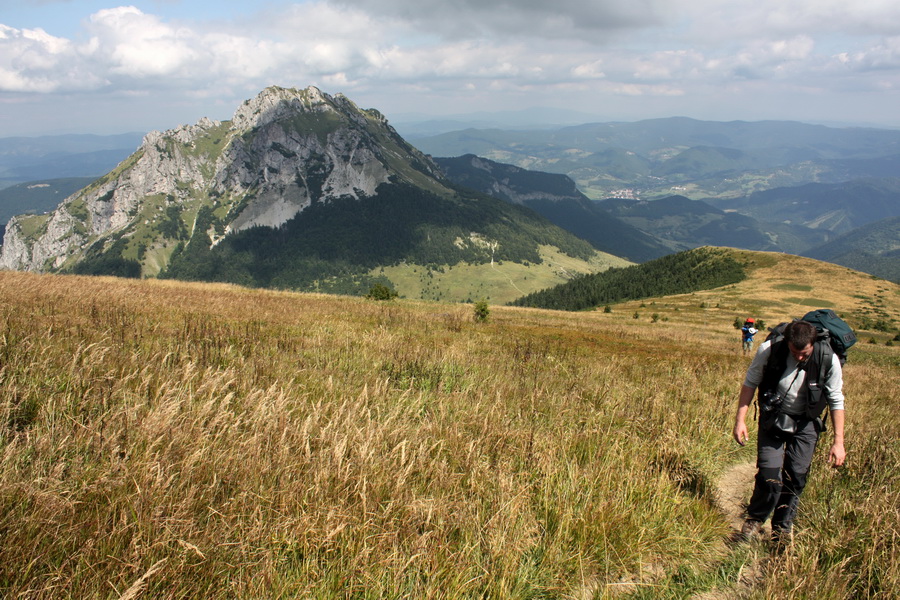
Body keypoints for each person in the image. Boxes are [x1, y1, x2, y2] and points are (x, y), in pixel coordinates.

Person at [732, 320, 846, 545]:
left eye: (805, 353)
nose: (800, 358)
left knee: (796, 476)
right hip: (773, 418)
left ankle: (782, 527)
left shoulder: (827, 358)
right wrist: (740, 420)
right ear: (787, 344)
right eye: (795, 353)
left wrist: (838, 442)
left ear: (813, 344)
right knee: (769, 475)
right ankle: (755, 519)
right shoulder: (770, 350)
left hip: (807, 424)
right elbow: (750, 383)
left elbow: (836, 399)